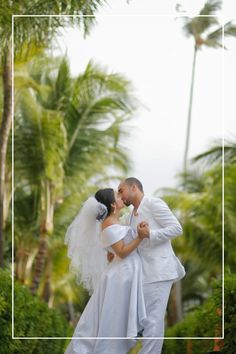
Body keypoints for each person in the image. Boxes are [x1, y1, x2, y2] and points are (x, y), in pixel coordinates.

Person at [64, 188, 148, 354]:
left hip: (123, 272)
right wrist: (140, 236)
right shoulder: (108, 223)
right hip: (120, 276)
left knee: (113, 320)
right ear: (112, 203)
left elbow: (115, 250)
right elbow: (123, 252)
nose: (121, 196)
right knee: (112, 321)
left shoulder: (114, 222)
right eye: (117, 195)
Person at [116, 177, 186, 354]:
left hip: (160, 271)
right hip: (144, 274)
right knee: (146, 320)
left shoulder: (154, 203)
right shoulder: (131, 215)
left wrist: (150, 234)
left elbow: (176, 228)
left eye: (121, 190)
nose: (119, 195)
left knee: (153, 320)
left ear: (134, 188)